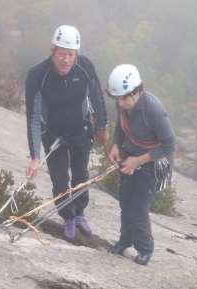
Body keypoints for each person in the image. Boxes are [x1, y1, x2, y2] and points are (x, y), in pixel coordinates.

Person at [25, 25, 108, 241]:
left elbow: (97, 97)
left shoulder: (85, 67)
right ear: (53, 50)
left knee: (81, 176)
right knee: (60, 181)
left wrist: (102, 126)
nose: (66, 60)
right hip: (54, 135)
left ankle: (79, 213)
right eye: (62, 54)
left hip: (81, 130)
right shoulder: (37, 75)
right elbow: (33, 117)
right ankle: (68, 217)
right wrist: (34, 157)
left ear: (76, 54)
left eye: (71, 55)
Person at [107, 64, 175, 265]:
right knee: (125, 201)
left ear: (137, 91)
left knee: (138, 207)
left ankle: (145, 248)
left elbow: (169, 145)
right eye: (116, 98)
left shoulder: (153, 110)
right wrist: (116, 145)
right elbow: (121, 125)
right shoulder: (122, 103)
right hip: (130, 156)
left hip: (153, 163)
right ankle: (125, 240)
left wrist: (138, 161)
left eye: (123, 98)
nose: (119, 103)